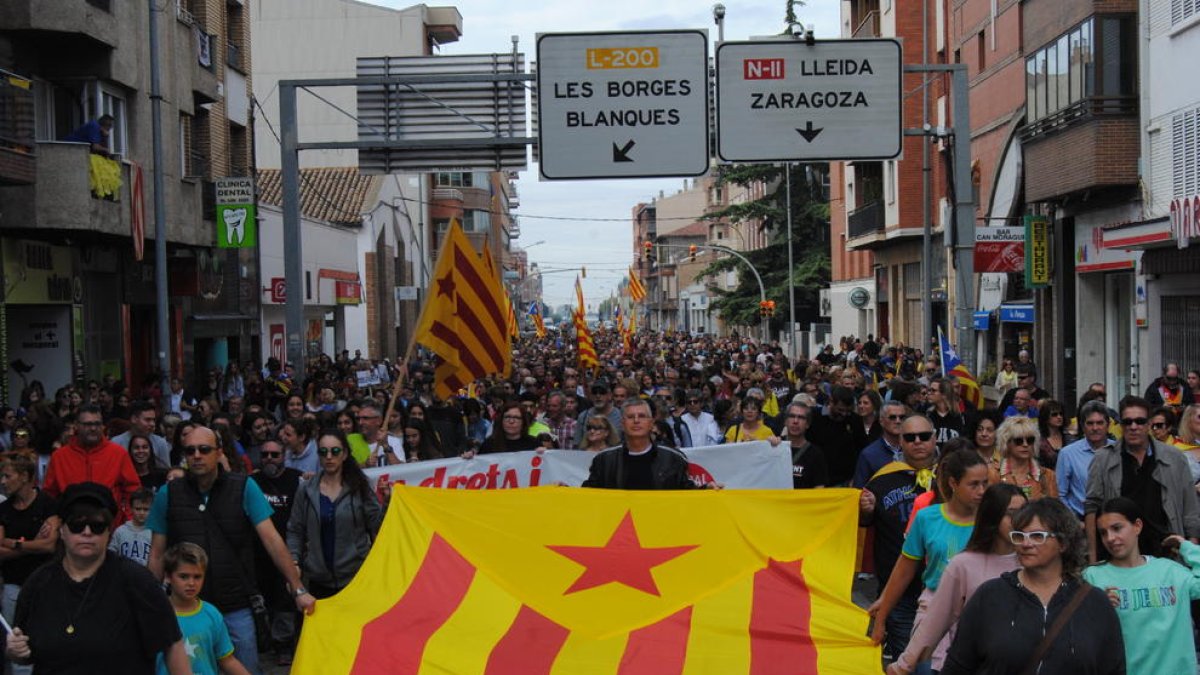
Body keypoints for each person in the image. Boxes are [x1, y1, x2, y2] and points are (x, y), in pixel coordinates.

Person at [147, 425, 315, 674]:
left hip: (236, 604)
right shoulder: (167, 494)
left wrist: (298, 588)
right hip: (187, 608)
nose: (196, 455)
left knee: (246, 668)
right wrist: (150, 601)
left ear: (218, 452)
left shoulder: (244, 487)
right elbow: (157, 553)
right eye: (190, 450)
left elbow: (272, 539)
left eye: (204, 449)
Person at [6, 482, 189, 674]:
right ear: (62, 530)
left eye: (97, 526)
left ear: (109, 531)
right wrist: (15, 651)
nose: (87, 532)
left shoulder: (137, 581)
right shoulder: (38, 583)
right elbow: (24, 650)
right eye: (77, 525)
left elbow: (172, 644)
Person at [941, 498, 1125, 674]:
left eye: (1037, 536)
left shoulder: (1094, 603)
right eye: (1019, 536)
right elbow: (957, 667)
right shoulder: (989, 596)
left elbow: (1113, 669)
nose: (1026, 544)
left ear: (1063, 543)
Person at [888, 483, 1026, 675]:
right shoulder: (963, 564)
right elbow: (936, 620)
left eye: (1025, 513)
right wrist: (904, 664)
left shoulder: (1033, 563)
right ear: (992, 516)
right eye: (1011, 513)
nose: (1020, 521)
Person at [869, 450, 989, 669]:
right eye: (973, 484)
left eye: (985, 483)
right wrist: (881, 617)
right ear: (953, 483)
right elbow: (904, 571)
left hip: (981, 615)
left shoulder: (992, 521)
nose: (981, 491)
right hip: (933, 611)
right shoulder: (927, 518)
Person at [1084, 497, 1200, 675]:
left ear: (1137, 526)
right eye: (1103, 532)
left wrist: (1186, 547)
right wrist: (1097, 606)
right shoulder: (1092, 576)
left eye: (1117, 528)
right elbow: (1079, 635)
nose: (1110, 538)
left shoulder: (1171, 571)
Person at [858, 415, 938, 661]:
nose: (917, 442)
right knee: (911, 660)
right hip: (898, 591)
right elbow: (864, 527)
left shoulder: (952, 477)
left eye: (924, 436)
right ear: (899, 442)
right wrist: (865, 509)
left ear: (934, 439)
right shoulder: (882, 479)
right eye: (909, 437)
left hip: (942, 586)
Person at [1085, 396, 1200, 562]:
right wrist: (1093, 559)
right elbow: (1091, 508)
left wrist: (1191, 551)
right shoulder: (1103, 459)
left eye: (1139, 421)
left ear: (1149, 424)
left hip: (1165, 552)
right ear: (1121, 425)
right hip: (1118, 553)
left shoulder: (1175, 458)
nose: (1133, 427)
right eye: (1127, 422)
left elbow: (1189, 508)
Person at [286, 429, 382, 599]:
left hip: (357, 580)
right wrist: (294, 562)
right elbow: (295, 530)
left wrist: (387, 503)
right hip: (318, 582)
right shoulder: (306, 489)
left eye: (335, 451)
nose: (329, 456)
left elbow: (378, 526)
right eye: (323, 452)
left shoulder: (360, 486)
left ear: (344, 454)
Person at [0, 453, 60, 675]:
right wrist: (32, 544)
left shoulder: (47, 504)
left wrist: (13, 543)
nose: (3, 481)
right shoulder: (3, 510)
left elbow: (49, 546)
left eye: (7, 476)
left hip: (46, 585)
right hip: (13, 586)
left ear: (24, 476)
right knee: (16, 643)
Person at [157, 542, 251, 675]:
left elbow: (227, 660)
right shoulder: (156, 615)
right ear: (168, 576)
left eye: (197, 577)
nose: (191, 583)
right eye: (183, 576)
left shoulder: (211, 613)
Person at [248, 439, 302, 666]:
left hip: (286, 551)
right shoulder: (251, 482)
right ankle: (264, 642)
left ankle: (283, 645)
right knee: (263, 601)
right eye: (265, 454)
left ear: (284, 456)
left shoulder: (297, 479)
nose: (269, 459)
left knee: (285, 602)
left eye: (275, 455)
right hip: (257, 553)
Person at [43, 405, 142, 523]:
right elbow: (49, 495)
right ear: (76, 425)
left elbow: (133, 490)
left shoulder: (118, 454)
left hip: (110, 528)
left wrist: (126, 520)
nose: (93, 428)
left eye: (97, 424)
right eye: (88, 424)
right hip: (71, 527)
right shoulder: (59, 457)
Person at [581, 399, 701, 490]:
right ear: (622, 424)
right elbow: (588, 496)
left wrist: (708, 491)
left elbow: (689, 495)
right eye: (630, 417)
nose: (636, 421)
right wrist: (565, 492)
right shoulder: (604, 460)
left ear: (651, 423)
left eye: (642, 416)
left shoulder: (673, 459)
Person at [1056, 400, 1114, 519]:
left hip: (1114, 519)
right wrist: (1076, 523)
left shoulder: (1118, 450)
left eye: (1099, 423)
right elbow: (1060, 495)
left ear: (1108, 425)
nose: (1095, 428)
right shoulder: (1068, 454)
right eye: (1090, 423)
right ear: (1082, 426)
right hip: (1080, 521)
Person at [989, 416, 1058, 500]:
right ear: (1006, 443)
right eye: (1018, 441)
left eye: (1030, 440)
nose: (1025, 444)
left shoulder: (1048, 476)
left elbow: (1054, 510)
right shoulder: (991, 473)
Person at [852, 400, 907, 488]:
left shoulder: (913, 447)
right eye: (892, 417)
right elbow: (859, 489)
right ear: (881, 421)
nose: (898, 421)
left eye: (902, 417)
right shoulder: (868, 454)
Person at [111, 401, 171, 471]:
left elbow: (166, 472)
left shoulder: (160, 443)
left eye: (154, 420)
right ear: (134, 419)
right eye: (147, 420)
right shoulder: (116, 443)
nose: (152, 424)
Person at [784, 402, 827, 489]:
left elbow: (819, 487)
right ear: (785, 421)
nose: (795, 421)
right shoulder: (775, 447)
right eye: (792, 416)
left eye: (801, 417)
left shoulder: (816, 454)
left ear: (807, 424)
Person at [108, 488, 154, 567]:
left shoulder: (154, 533)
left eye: (146, 509)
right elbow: (111, 555)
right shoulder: (120, 531)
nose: (141, 513)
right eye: (138, 509)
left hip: (146, 575)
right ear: (131, 508)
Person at [1035, 399, 1071, 470]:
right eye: (1054, 414)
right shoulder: (1038, 441)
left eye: (1061, 414)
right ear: (1045, 417)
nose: (1059, 417)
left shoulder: (1070, 438)